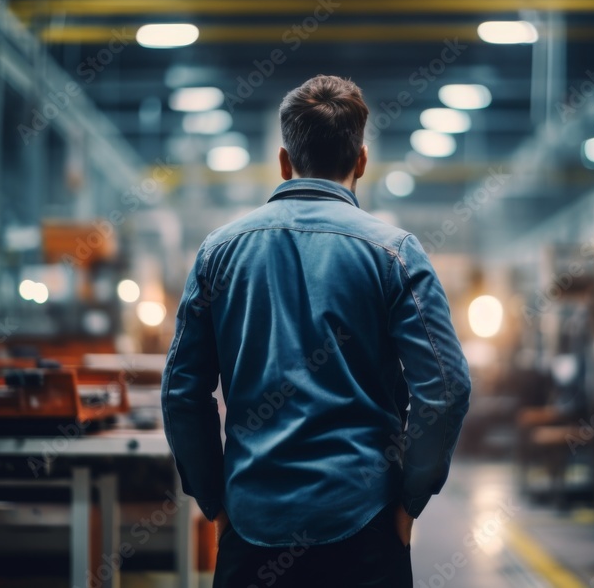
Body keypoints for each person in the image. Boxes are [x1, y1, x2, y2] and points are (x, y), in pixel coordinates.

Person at [162, 75, 471, 588]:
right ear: (363, 161)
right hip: (364, 528)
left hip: (251, 527)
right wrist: (409, 503)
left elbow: (181, 391)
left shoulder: (219, 253)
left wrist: (214, 503)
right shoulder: (395, 254)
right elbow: (446, 387)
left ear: (284, 161)